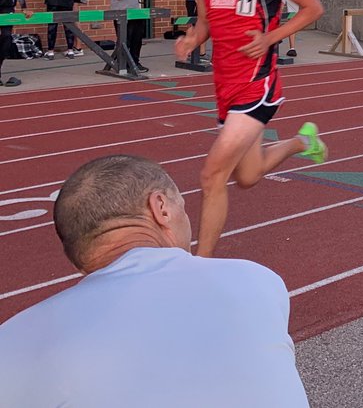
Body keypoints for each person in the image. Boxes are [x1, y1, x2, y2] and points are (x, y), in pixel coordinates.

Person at [0, 155, 310, 407]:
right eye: (183, 209)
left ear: (74, 256)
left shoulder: (14, 339)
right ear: (160, 207)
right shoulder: (255, 280)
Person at [173, 0, 328, 257]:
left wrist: (271, 38)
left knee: (212, 176)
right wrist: (191, 39)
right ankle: (301, 143)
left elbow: (313, 8)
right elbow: (205, 23)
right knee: (246, 177)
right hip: (223, 85)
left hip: (257, 86)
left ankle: (201, 265)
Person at [109, 0, 151, 74]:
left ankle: (135, 62)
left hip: (135, 12)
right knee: (124, 40)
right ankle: (123, 63)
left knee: (136, 40)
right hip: (122, 14)